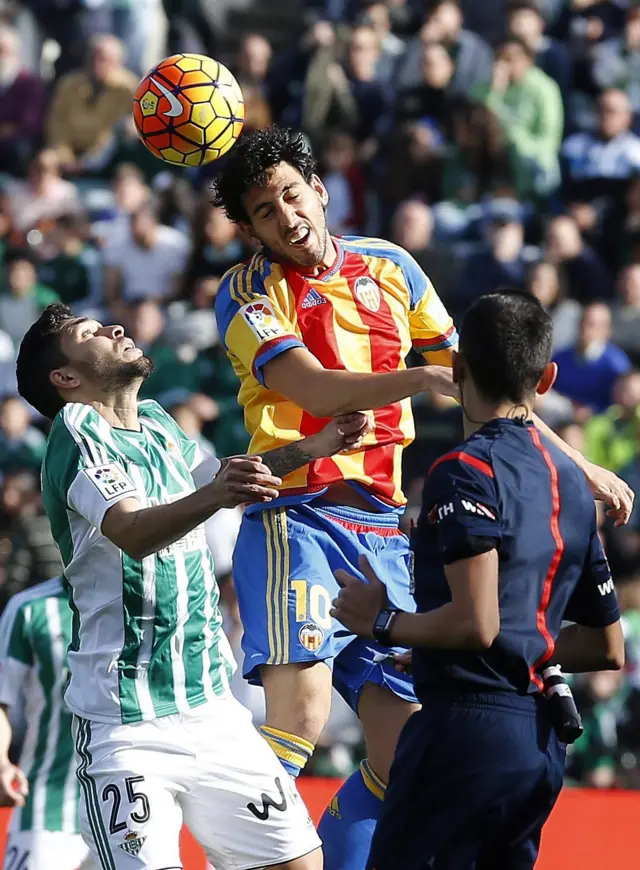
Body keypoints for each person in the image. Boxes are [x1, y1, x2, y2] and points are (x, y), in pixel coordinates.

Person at [211, 125, 633, 870]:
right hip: (296, 516)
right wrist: (415, 378)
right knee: (301, 713)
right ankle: (242, 859)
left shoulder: (392, 267)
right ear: (248, 230)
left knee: (404, 746)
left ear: (318, 188)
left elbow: (492, 385)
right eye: (265, 211)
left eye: (290, 194)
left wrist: (576, 465)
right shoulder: (245, 293)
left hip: (382, 527)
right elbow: (307, 385)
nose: (286, 216)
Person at [14, 302, 372, 870]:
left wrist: (315, 446)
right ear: (66, 378)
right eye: (90, 333)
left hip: (212, 711)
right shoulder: (75, 430)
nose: (114, 327)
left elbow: (223, 474)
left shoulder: (157, 422)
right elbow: (131, 530)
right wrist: (217, 495)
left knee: (299, 864)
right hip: (126, 726)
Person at [331, 290, 626, 870]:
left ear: (457, 368)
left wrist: (385, 623)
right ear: (547, 380)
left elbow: (477, 623)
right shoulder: (572, 482)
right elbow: (605, 645)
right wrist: (507, 646)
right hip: (539, 746)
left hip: (462, 735)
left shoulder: (463, 471)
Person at [0, 577, 94, 870]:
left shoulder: (146, 604)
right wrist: (2, 763)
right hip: (45, 807)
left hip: (128, 805)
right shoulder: (28, 608)